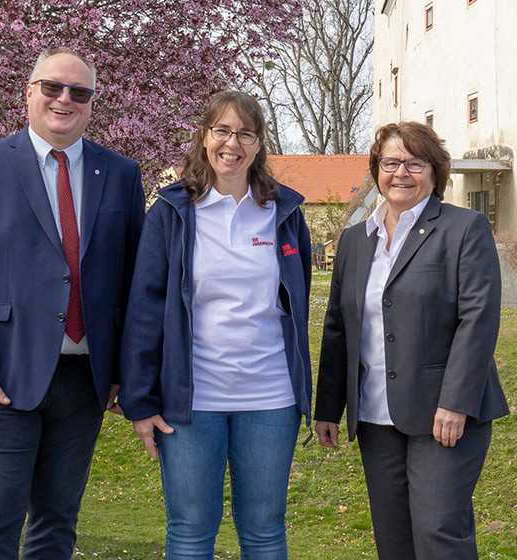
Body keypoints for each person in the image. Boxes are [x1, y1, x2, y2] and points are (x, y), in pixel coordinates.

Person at [0, 48, 145, 559]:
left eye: (79, 92)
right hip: (2, 381)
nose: (64, 99)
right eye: (52, 87)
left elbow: (135, 286)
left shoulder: (120, 174)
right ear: (29, 92)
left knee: (56, 525)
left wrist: (125, 370)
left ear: (93, 103)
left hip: (84, 382)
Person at [118, 91, 312, 559]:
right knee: (189, 532)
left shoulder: (284, 213)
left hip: (271, 399)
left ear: (259, 144)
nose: (233, 143)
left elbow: (298, 302)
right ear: (204, 138)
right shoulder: (171, 213)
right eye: (222, 131)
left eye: (245, 133)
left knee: (265, 532)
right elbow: (145, 309)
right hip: (191, 403)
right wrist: (140, 402)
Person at [314, 121, 509, 560]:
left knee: (439, 533)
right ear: (376, 170)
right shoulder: (353, 241)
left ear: (435, 171)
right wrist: (329, 408)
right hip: (376, 416)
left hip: (444, 415)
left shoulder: (464, 229)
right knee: (394, 539)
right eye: (391, 162)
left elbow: (478, 320)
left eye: (415, 163)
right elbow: (338, 327)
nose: (401, 173)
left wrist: (456, 402)